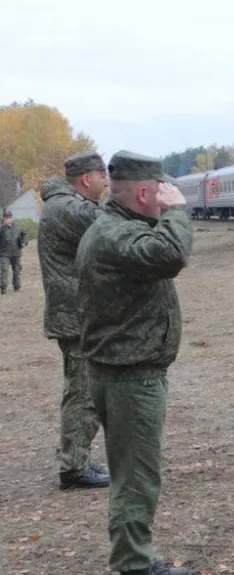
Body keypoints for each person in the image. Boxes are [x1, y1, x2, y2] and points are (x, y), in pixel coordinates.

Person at [76, 151, 193, 575]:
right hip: (128, 377)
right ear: (144, 193)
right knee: (136, 478)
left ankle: (139, 554)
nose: (165, 199)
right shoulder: (114, 234)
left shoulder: (115, 227)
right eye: (161, 192)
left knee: (137, 473)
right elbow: (172, 254)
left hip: (126, 370)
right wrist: (178, 211)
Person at [37, 152, 112, 489]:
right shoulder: (67, 208)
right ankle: (75, 468)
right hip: (76, 315)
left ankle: (77, 462)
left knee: (84, 388)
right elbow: (111, 225)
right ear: (86, 179)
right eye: (102, 175)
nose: (106, 182)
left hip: (77, 312)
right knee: (82, 391)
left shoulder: (62, 205)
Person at [0, 210, 28, 294]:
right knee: (4, 270)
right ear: (3, 218)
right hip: (4, 254)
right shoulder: (1, 228)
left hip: (16, 253)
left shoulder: (18, 227)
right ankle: (3, 288)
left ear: (12, 218)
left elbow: (25, 234)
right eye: (6, 217)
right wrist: (4, 226)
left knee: (16, 271)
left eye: (9, 217)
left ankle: (17, 287)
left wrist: (24, 242)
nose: (8, 219)